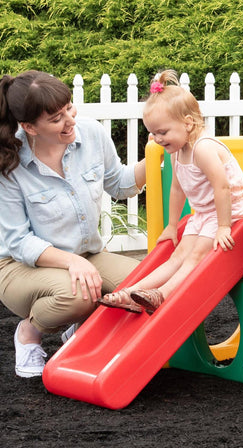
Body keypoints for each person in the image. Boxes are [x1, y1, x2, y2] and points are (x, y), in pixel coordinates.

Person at [0, 70, 146, 378]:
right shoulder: (8, 162)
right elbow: (19, 241)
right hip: (19, 266)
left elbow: (119, 184)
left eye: (69, 107)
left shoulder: (90, 133)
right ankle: (30, 332)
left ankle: (84, 331)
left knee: (147, 287)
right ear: (29, 127)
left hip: (87, 255)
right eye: (56, 118)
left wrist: (159, 152)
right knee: (78, 295)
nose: (70, 119)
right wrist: (70, 263)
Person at [98, 69, 243, 314]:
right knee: (177, 258)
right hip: (203, 215)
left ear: (187, 123)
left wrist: (223, 226)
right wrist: (171, 225)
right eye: (153, 133)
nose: (157, 139)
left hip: (230, 214)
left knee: (194, 257)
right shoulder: (178, 151)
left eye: (162, 132)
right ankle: (128, 293)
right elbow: (177, 189)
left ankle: (161, 294)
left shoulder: (203, 148)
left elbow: (222, 187)